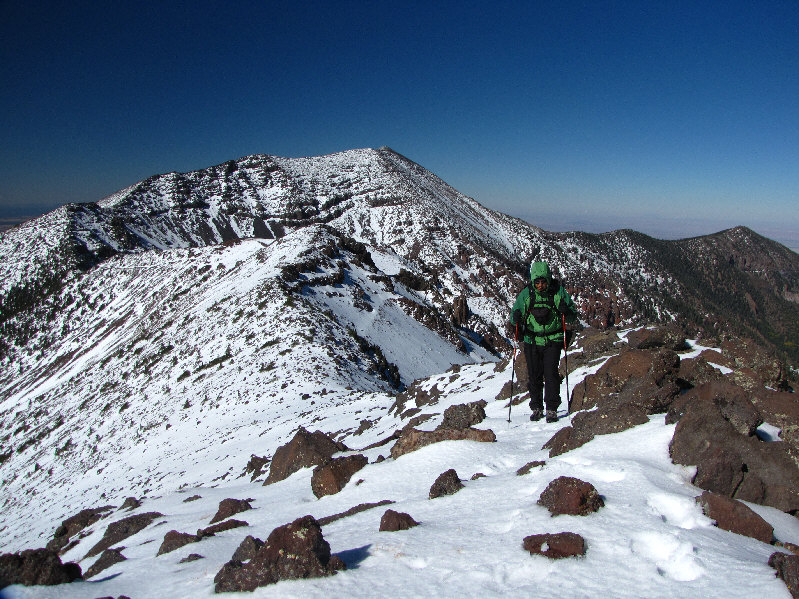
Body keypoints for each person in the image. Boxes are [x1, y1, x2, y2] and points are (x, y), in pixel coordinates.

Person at [509, 261, 578, 423]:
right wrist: (516, 318)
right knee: (534, 375)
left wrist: (566, 310)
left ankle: (551, 409)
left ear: (548, 279)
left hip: (553, 340)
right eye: (537, 282)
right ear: (533, 281)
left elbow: (572, 315)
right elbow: (514, 315)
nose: (540, 285)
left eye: (543, 281)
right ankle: (537, 408)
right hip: (532, 340)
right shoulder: (527, 294)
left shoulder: (558, 292)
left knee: (551, 374)